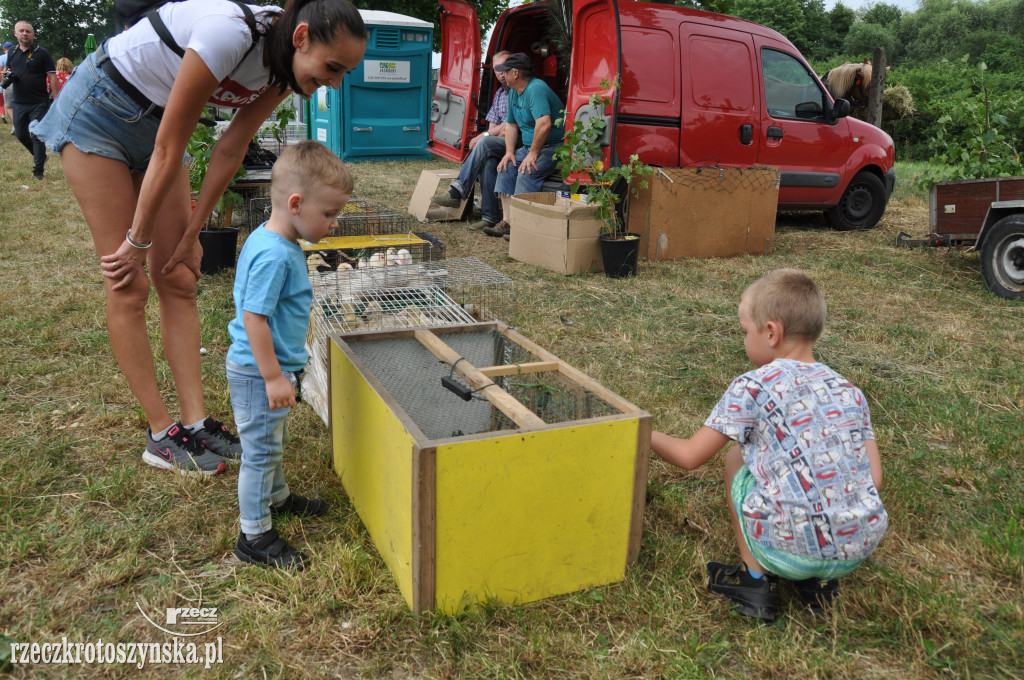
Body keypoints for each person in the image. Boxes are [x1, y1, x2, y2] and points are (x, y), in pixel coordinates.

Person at [32, 0, 368, 476]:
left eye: (344, 73)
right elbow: (171, 148)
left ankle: (196, 421)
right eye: (333, 67)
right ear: (301, 38)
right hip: (98, 111)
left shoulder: (282, 74)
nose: (334, 83)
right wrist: (138, 237)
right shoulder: (230, 32)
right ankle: (160, 432)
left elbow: (230, 149)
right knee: (128, 282)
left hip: (159, 127)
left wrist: (193, 233)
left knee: (181, 276)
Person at [650, 269, 888, 622]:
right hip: (854, 550)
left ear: (771, 332)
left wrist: (641, 431)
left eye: (746, 331)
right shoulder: (849, 390)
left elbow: (689, 457)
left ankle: (755, 582)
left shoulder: (753, 385)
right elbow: (875, 480)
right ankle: (817, 586)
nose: (744, 340)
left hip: (785, 552)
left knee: (735, 458)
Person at [229, 140, 352, 569]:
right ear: (296, 203)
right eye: (329, 214)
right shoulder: (273, 256)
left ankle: (277, 497)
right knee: (259, 452)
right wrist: (273, 377)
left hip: (271, 369)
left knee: (271, 439)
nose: (334, 223)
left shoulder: (274, 240)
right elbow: (254, 320)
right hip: (258, 372)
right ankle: (254, 535)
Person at [429, 50, 511, 233]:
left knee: (483, 143)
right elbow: (495, 127)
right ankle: (490, 217)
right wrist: (491, 135)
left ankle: (457, 191)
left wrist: (485, 136)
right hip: (501, 141)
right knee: (488, 160)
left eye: (504, 68)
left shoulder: (518, 91)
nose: (501, 73)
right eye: (497, 70)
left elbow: (508, 128)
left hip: (518, 141)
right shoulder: (499, 94)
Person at [490, 52, 566, 239]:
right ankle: (508, 222)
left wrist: (532, 154)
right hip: (530, 147)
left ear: (515, 73)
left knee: (527, 171)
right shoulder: (515, 93)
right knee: (506, 167)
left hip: (554, 147)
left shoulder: (536, 89)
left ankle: (522, 226)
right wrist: (509, 152)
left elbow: (545, 124)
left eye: (505, 72)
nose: (502, 76)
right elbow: (511, 125)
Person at [7, 22, 58, 179]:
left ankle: (38, 170)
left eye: (28, 31)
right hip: (19, 101)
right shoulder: (11, 53)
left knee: (36, 134)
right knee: (20, 133)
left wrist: (57, 101)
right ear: (15, 33)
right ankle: (41, 156)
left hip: (39, 101)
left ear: (33, 35)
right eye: (21, 31)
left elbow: (52, 77)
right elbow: (9, 70)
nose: (25, 33)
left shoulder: (42, 53)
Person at [0, 41, 13, 125]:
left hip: (7, 83)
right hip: (18, 82)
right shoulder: (17, 55)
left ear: (3, 48)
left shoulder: (2, 57)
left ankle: (14, 124)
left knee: (7, 105)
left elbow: (0, 71)